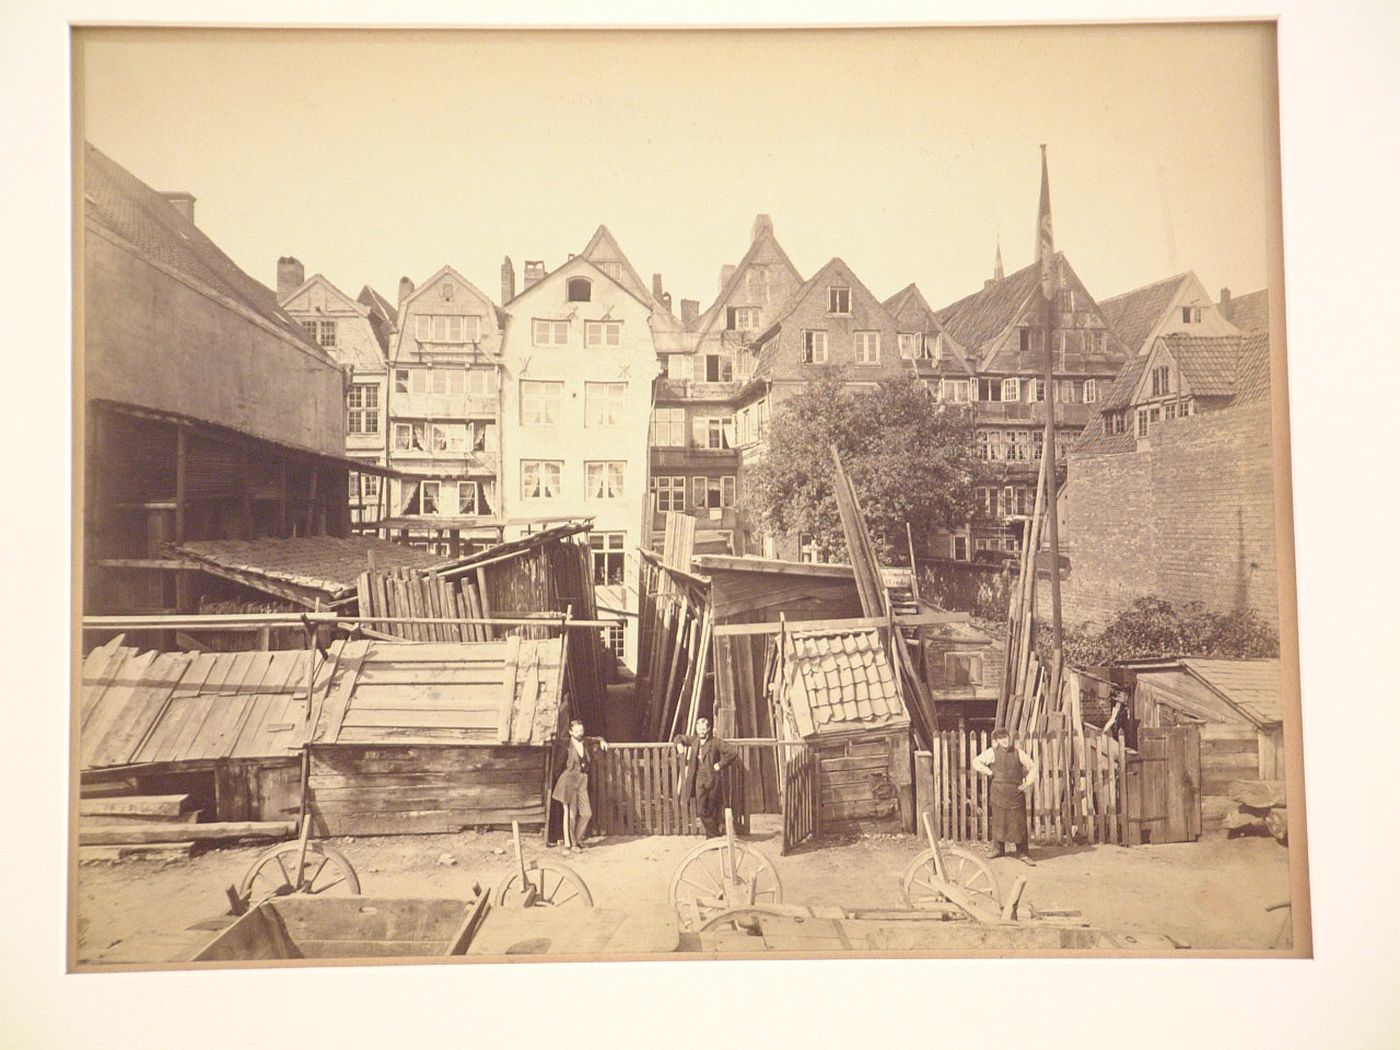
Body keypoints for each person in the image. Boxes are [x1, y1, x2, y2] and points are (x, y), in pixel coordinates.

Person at [971, 727, 1039, 863]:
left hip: (1015, 793)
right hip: (999, 792)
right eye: (1001, 739)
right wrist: (989, 772)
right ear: (996, 741)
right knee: (998, 821)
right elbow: (976, 762)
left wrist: (1027, 784)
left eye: (1006, 737)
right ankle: (998, 849)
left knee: (1018, 823)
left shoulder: (1018, 753)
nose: (1005, 741)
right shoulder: (992, 752)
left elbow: (1033, 767)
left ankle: (1022, 852)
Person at [672, 716, 737, 837]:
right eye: (699, 729)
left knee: (712, 808)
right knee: (701, 810)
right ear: (696, 729)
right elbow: (678, 737)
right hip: (698, 779)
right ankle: (716, 835)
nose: (701, 731)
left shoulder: (715, 742)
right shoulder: (694, 740)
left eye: (703, 729)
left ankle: (711, 837)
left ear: (708, 729)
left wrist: (720, 764)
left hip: (712, 778)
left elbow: (732, 752)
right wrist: (679, 745)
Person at [551, 719, 607, 853]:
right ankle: (571, 844)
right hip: (569, 780)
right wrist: (564, 780)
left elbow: (595, 738)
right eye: (576, 731)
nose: (579, 733)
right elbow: (557, 767)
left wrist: (602, 740)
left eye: (581, 730)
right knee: (571, 814)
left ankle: (578, 838)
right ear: (570, 732)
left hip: (583, 779)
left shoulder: (585, 742)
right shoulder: (566, 745)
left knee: (587, 813)